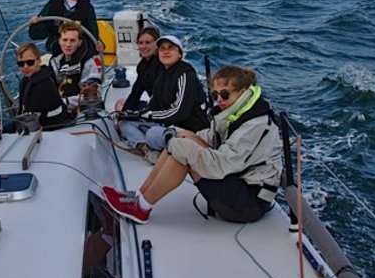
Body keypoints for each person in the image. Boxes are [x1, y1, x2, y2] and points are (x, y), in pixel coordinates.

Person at [102, 65, 283, 225]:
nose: (219, 99)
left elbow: (223, 164)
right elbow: (210, 138)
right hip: (237, 182)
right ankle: (139, 196)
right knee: (181, 142)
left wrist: (180, 145)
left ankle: (141, 208)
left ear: (243, 92)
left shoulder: (254, 123)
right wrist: (179, 135)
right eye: (215, 95)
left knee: (182, 151)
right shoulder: (236, 112)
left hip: (250, 202)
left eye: (225, 94)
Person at [118, 35, 209, 151]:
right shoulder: (162, 77)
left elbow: (179, 112)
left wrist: (149, 115)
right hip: (168, 125)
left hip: (189, 129)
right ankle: (146, 149)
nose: (166, 51)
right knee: (125, 124)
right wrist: (134, 114)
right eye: (162, 48)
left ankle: (155, 149)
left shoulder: (185, 75)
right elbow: (152, 106)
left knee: (153, 133)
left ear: (180, 54)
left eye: (171, 48)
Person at [29, 0, 103, 54]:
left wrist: (99, 44)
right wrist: (35, 22)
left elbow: (92, 31)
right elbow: (40, 24)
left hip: (77, 46)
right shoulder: (55, 2)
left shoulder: (87, 8)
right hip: (56, 44)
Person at [16, 41, 71, 128]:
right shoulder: (25, 82)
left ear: (39, 61)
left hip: (50, 127)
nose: (25, 66)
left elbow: (36, 115)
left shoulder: (44, 85)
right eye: (21, 64)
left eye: (30, 62)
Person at [48, 21, 102, 106]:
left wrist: (62, 102)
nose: (68, 44)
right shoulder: (54, 62)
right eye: (65, 40)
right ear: (59, 41)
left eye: (72, 40)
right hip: (57, 105)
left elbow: (90, 96)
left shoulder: (89, 63)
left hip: (79, 108)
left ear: (79, 42)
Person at [115, 26, 160, 112]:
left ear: (157, 44)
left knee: (121, 105)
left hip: (162, 110)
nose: (143, 46)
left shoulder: (163, 64)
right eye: (140, 43)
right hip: (154, 105)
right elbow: (136, 93)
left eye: (148, 42)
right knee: (120, 104)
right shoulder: (142, 66)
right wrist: (124, 114)